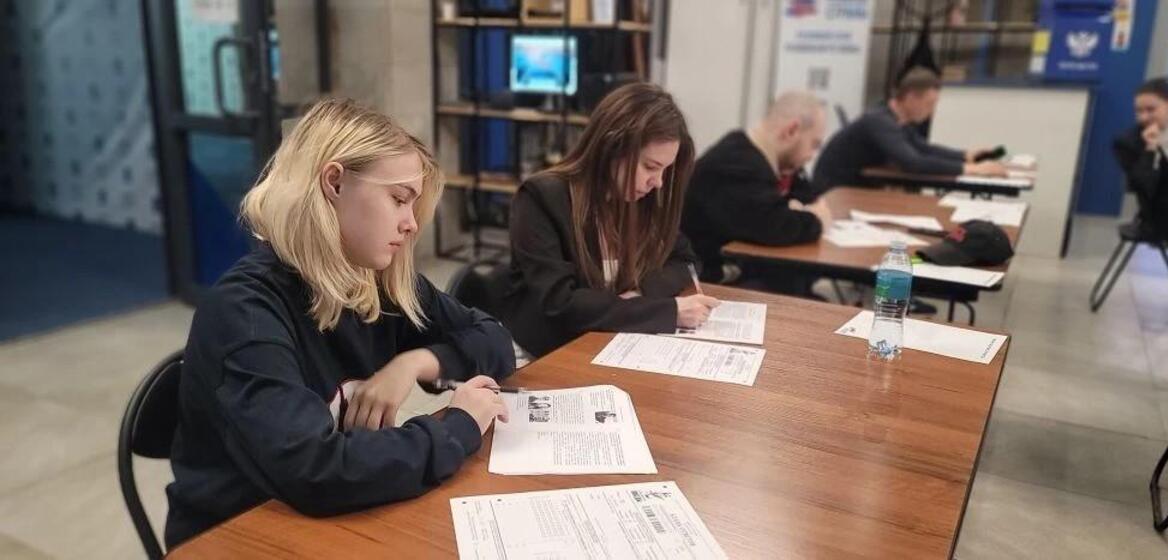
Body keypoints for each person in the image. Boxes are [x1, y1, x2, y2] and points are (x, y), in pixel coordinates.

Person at [165, 98, 514, 548]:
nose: (411, 224)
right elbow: (314, 470)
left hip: (330, 520)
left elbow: (495, 341)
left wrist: (413, 363)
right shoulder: (245, 311)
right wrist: (458, 427)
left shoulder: (374, 281)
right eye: (398, 200)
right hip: (237, 535)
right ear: (334, 183)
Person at [500, 83, 719, 358]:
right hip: (546, 352)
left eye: (665, 170)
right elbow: (561, 304)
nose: (658, 182)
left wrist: (640, 293)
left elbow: (686, 261)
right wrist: (666, 311)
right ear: (612, 148)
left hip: (608, 343)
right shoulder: (542, 198)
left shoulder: (639, 200)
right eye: (650, 167)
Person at [682, 91, 832, 286]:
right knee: (794, 285)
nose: (812, 155)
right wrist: (817, 220)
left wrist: (801, 209)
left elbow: (807, 196)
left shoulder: (760, 156)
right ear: (791, 131)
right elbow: (774, 226)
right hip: (706, 281)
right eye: (814, 144)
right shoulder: (735, 164)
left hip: (732, 270)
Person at [811, 68, 1007, 194]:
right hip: (835, 193)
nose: (932, 112)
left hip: (857, 189)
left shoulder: (897, 119)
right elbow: (913, 162)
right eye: (929, 104)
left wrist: (966, 155)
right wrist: (971, 169)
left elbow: (923, 148)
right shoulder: (879, 121)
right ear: (912, 97)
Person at [1114, 77, 1168, 237]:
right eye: (1139, 111)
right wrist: (1150, 149)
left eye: (1151, 110)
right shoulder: (1128, 142)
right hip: (1161, 207)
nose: (1143, 117)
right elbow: (1143, 186)